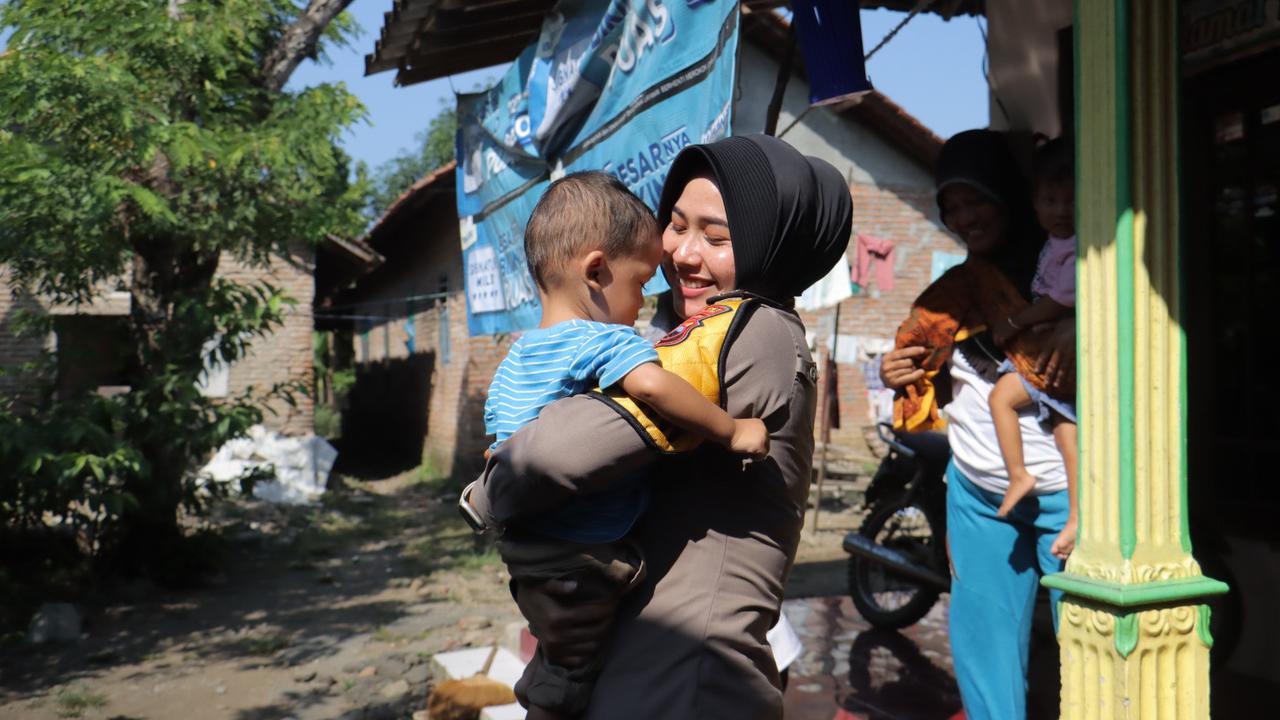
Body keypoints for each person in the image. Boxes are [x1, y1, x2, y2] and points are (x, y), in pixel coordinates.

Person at [461, 134, 852, 719]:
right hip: (644, 655)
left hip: (683, 675)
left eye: (717, 238)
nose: (683, 255)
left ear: (774, 246)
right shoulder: (673, 334)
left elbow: (554, 454)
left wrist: (487, 496)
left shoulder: (749, 331)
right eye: (676, 224)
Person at [482, 171, 769, 720]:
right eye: (640, 283)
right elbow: (655, 386)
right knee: (580, 668)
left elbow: (498, 450)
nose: (643, 301)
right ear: (596, 272)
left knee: (556, 659)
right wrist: (732, 430)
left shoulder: (517, 359)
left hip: (528, 550)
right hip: (588, 553)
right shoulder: (601, 339)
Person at [880, 129, 1074, 720]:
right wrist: (896, 373)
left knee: (1094, 643)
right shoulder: (954, 294)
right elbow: (924, 371)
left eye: (976, 201)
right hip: (977, 494)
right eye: (952, 209)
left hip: (1069, 494)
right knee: (985, 653)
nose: (965, 218)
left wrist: (1077, 327)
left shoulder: (1068, 275)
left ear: (1010, 194)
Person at [987, 137, 1078, 558]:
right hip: (1043, 352)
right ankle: (1019, 474)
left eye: (1070, 200)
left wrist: (1015, 321)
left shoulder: (1079, 248)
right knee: (1006, 400)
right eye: (1050, 200)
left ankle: (1075, 514)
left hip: (1060, 355)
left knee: (1067, 435)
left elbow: (1063, 299)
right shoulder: (1053, 243)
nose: (1061, 210)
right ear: (1035, 204)